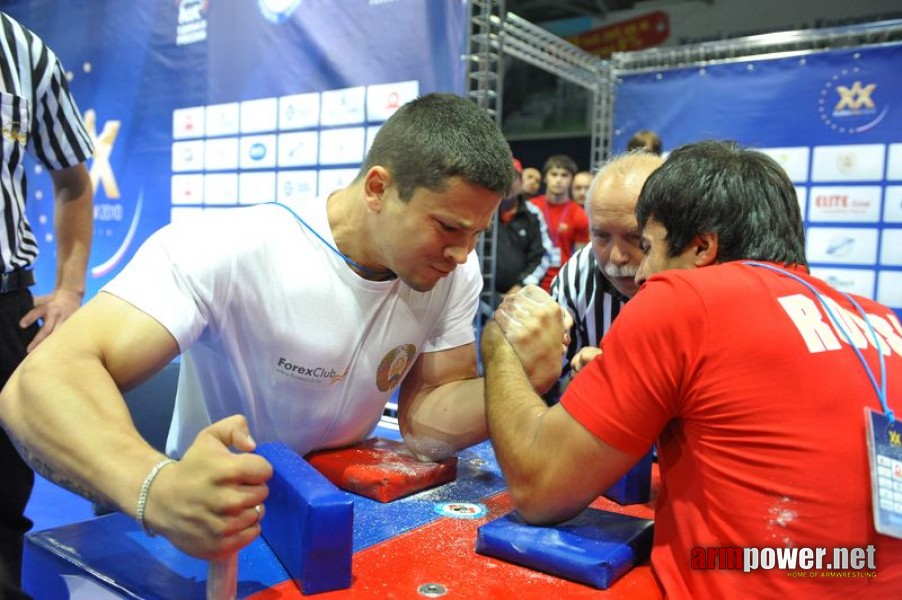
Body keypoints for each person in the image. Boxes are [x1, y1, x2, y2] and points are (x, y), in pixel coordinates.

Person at [0, 93, 564, 564]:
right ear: (376, 189)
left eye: (474, 235)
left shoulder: (447, 270)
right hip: (218, 521)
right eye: (447, 228)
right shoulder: (232, 249)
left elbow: (426, 421)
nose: (463, 256)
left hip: (347, 515)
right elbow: (38, 383)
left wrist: (514, 379)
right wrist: (156, 488)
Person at [482, 140, 902, 598]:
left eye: (648, 246)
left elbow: (539, 488)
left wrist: (500, 345)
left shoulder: (682, 301)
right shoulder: (880, 319)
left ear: (701, 246)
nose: (640, 274)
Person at [0, 12, 94, 593]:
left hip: (1, 304)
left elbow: (74, 181)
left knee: (1, 509)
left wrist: (69, 290)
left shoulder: (24, 50)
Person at [547, 151, 663, 402]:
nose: (616, 257)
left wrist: (620, 377)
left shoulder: (709, 278)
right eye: (601, 236)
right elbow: (555, 391)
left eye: (635, 237)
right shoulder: (576, 278)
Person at [492, 158, 553, 303]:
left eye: (513, 177)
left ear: (520, 183)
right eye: (502, 177)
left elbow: (542, 255)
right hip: (480, 295)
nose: (507, 183)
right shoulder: (481, 211)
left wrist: (522, 286)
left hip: (521, 298)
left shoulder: (533, 214)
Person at [529, 154, 588, 292]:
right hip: (532, 280)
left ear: (572, 179)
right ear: (545, 178)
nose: (558, 180)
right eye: (554, 174)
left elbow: (580, 259)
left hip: (563, 284)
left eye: (564, 175)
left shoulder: (579, 214)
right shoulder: (532, 207)